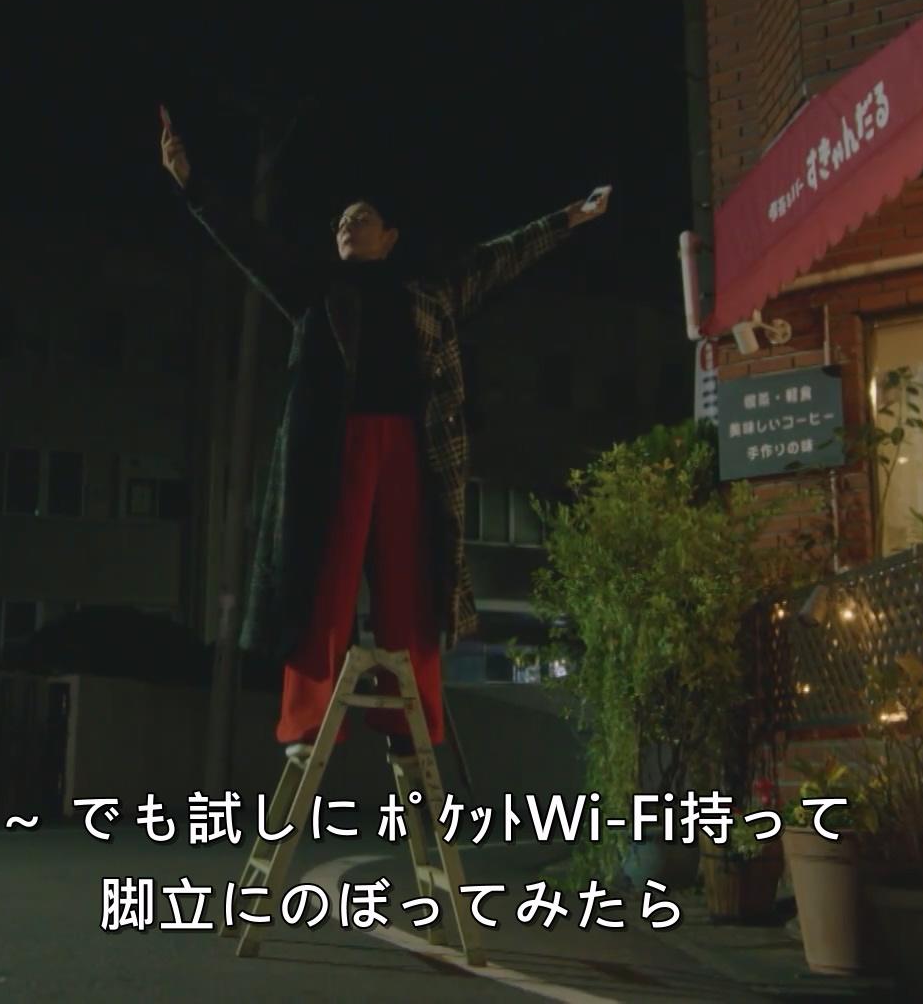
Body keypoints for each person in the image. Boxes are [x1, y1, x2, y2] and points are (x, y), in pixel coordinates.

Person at [160, 115, 609, 761]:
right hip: (332, 450)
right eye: (343, 220)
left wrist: (567, 219)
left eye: (363, 216)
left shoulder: (426, 295)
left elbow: (496, 260)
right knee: (324, 580)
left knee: (410, 586)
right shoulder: (314, 290)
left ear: (390, 237)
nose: (350, 223)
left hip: (405, 448)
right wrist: (192, 184)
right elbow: (249, 244)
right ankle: (309, 724)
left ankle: (410, 722)